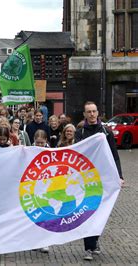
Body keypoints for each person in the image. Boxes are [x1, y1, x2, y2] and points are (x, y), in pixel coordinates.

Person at [75, 101, 124, 261]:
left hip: (103, 177)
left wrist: (119, 176)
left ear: (97, 113)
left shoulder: (106, 131)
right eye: (88, 112)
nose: (91, 114)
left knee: (100, 212)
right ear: (84, 114)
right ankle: (89, 248)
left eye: (93, 111)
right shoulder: (80, 132)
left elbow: (114, 155)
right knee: (87, 211)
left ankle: (94, 241)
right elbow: (76, 154)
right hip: (86, 179)